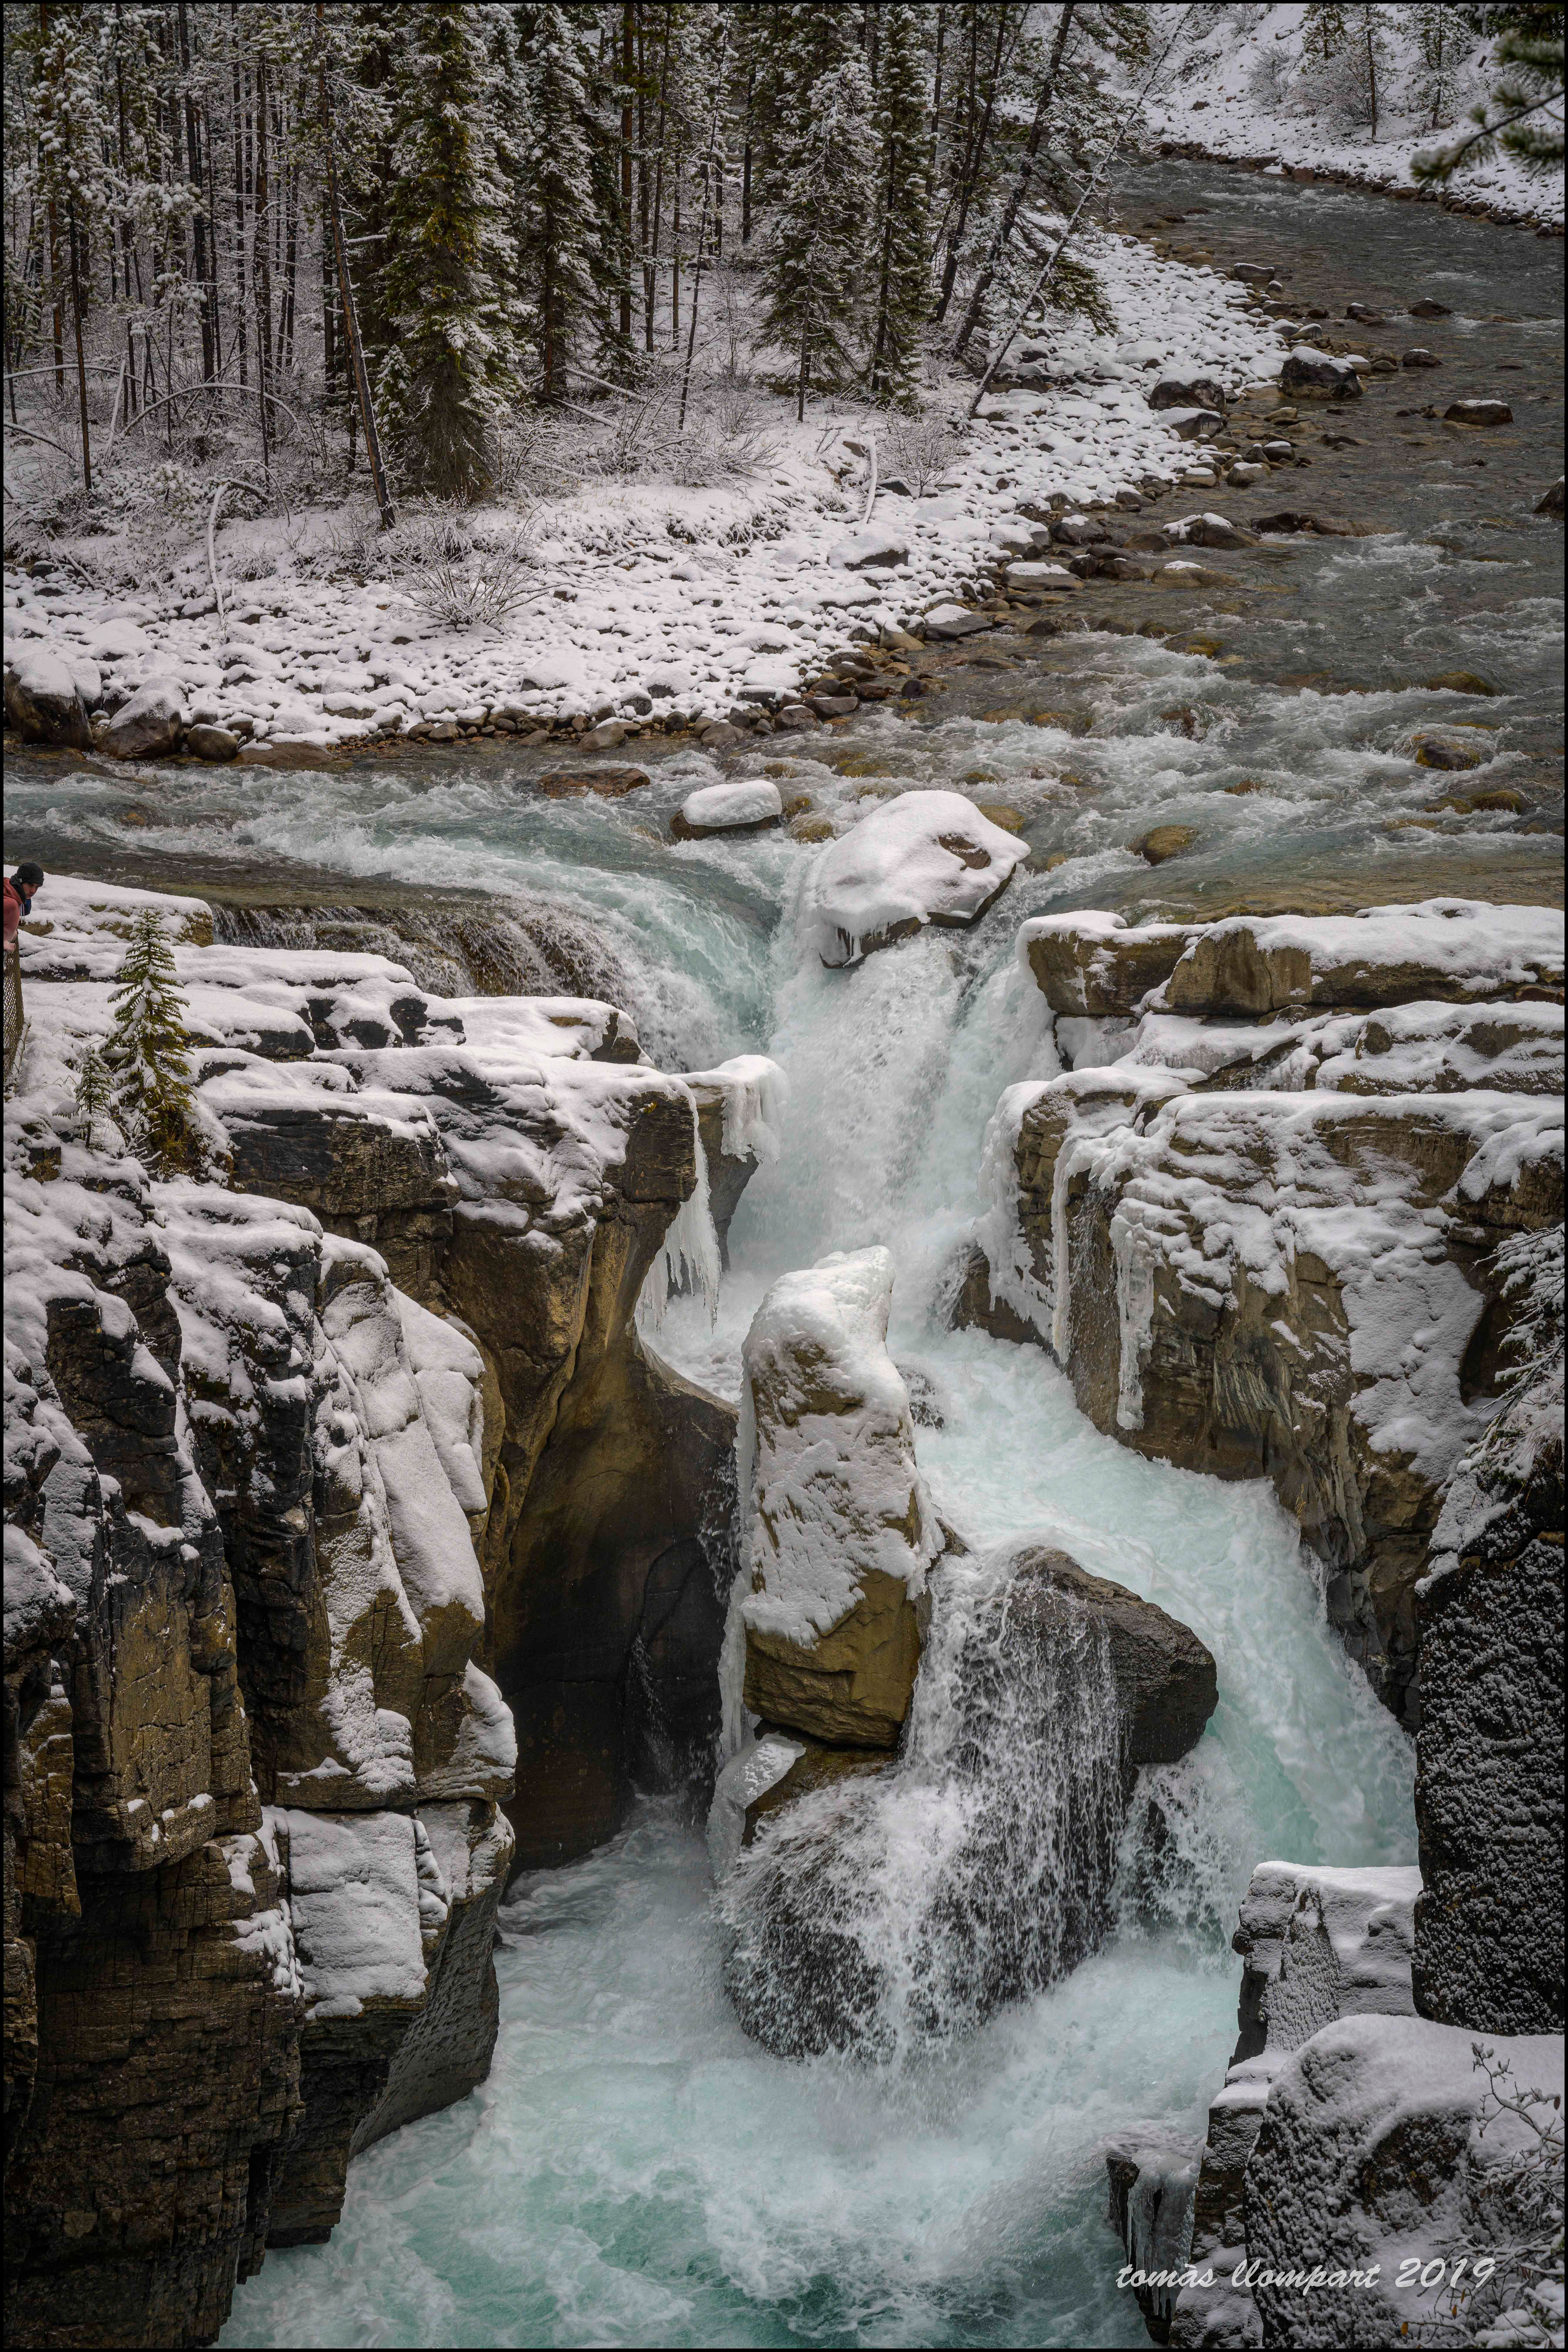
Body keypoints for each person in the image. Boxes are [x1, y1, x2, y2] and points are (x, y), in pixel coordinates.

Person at [3, 862, 44, 950]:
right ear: (19, 882)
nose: (33, 891)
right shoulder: (11, 904)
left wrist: (11, 933)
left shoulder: (13, 892)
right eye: (30, 885)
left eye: (37, 887)